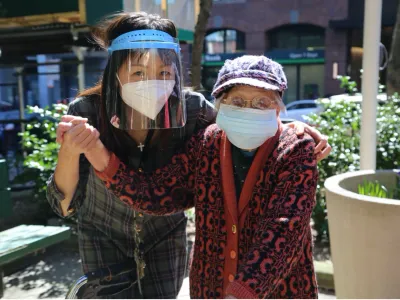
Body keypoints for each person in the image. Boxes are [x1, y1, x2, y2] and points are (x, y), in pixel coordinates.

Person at [50, 12, 330, 299]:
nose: (153, 81)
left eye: (164, 72)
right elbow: (73, 204)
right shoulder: (87, 112)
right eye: (138, 72)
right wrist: (80, 151)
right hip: (105, 239)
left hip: (166, 242)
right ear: (115, 72)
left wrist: (291, 128)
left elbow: (285, 225)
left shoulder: (194, 110)